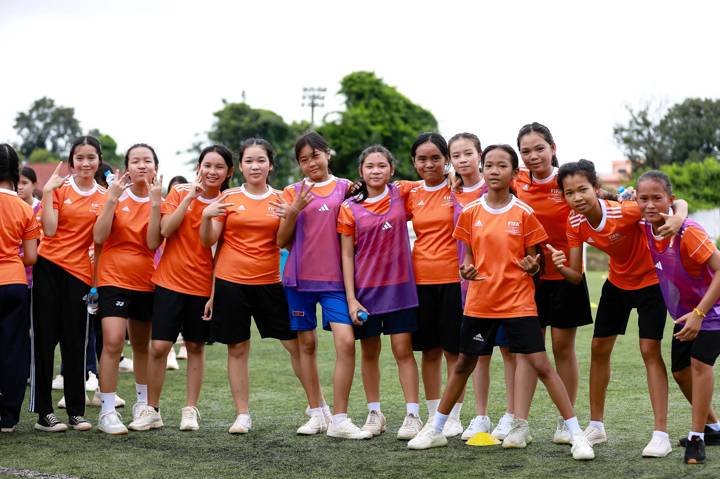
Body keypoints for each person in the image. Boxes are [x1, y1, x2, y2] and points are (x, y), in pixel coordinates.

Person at [407, 144, 595, 461]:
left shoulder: (524, 213)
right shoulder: (469, 214)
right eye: (489, 165)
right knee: (464, 365)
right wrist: (465, 271)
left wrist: (533, 266)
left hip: (519, 304)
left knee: (542, 366)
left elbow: (536, 259)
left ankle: (577, 435)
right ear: (482, 169)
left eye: (502, 166)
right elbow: (467, 260)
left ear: (513, 173)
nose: (494, 171)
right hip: (480, 305)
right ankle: (435, 429)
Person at [550, 159, 687, 457]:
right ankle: (596, 426)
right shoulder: (574, 223)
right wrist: (561, 267)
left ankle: (660, 434)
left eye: (583, 189)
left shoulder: (625, 211)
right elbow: (576, 275)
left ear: (596, 189)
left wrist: (678, 217)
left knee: (649, 350)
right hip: (618, 283)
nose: (577, 197)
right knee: (599, 348)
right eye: (569, 192)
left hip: (650, 282)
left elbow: (673, 204)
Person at [198, 138, 312, 435]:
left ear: (270, 165)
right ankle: (242, 414)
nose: (255, 166)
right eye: (249, 160)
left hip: (269, 283)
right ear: (241, 166)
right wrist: (206, 218)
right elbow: (211, 242)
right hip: (230, 283)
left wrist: (290, 215)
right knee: (237, 348)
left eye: (261, 160)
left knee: (294, 345)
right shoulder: (228, 198)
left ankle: (317, 407)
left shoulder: (281, 198)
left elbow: (282, 242)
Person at [129, 145, 233, 432]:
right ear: (198, 167)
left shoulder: (226, 202)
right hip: (168, 282)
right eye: (207, 165)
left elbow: (208, 241)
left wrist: (210, 213)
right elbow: (165, 229)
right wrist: (190, 197)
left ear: (228, 172)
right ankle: (152, 409)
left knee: (196, 347)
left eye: (219, 167)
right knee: (159, 346)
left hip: (201, 286)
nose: (212, 172)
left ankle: (190, 410)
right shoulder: (178, 192)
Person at [276, 131, 370, 439]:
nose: (311, 163)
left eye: (315, 155)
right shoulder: (292, 191)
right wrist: (293, 211)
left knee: (345, 341)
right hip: (298, 280)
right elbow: (281, 239)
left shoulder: (346, 188)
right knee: (307, 345)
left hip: (335, 281)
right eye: (304, 159)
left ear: (327, 153)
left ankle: (340, 419)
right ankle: (317, 411)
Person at [515, 123, 594, 444]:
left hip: (567, 276)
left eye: (539, 148)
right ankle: (519, 423)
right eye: (526, 151)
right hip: (528, 277)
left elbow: (609, 198)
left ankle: (567, 421)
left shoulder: (569, 182)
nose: (533, 156)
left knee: (563, 349)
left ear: (553, 147)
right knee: (528, 351)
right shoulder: (515, 181)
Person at [635, 171, 720, 464]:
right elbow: (612, 195)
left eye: (657, 198)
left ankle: (697, 439)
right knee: (681, 372)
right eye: (642, 198)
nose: (649, 204)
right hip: (684, 313)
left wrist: (699, 313)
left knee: (699, 364)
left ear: (669, 200)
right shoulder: (646, 224)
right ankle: (714, 427)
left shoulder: (689, 232)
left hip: (713, 311)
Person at [337, 145, 421, 440]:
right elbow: (347, 256)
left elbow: (433, 180)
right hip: (365, 292)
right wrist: (350, 298)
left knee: (403, 350)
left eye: (382, 165)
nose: (376, 171)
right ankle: (375, 413)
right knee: (369, 352)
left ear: (392, 169)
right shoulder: (349, 207)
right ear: (361, 171)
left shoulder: (402, 193)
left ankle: (413, 415)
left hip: (401, 291)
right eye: (370, 166)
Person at [30, 136, 106, 432]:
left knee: (76, 343)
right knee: (45, 341)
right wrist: (48, 192)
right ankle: (44, 413)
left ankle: (76, 410)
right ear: (71, 161)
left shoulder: (103, 195)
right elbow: (48, 229)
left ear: (99, 159)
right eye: (79, 158)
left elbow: (99, 239)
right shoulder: (59, 189)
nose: (85, 163)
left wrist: (112, 197)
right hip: (49, 270)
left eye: (91, 157)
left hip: (80, 276)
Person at [448, 133, 517, 442]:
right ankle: (481, 416)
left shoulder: (500, 185)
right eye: (456, 155)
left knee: (509, 351)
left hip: (507, 287)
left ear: (479, 156)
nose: (463, 160)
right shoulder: (453, 191)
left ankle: (512, 415)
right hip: (470, 288)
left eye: (468, 154)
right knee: (479, 354)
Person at [396, 133, 464, 437]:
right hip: (420, 280)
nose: (429, 164)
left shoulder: (458, 189)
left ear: (446, 159)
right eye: (422, 159)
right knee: (429, 351)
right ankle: (434, 412)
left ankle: (453, 416)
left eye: (436, 158)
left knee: (454, 352)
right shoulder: (410, 193)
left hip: (454, 279)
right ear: (413, 162)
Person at [93, 144, 162, 434]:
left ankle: (143, 406)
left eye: (147, 161)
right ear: (126, 168)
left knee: (141, 346)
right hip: (112, 278)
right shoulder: (115, 196)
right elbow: (99, 235)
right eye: (136, 161)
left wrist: (157, 203)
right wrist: (111, 200)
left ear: (156, 167)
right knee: (113, 341)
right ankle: (107, 410)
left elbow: (152, 243)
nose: (142, 165)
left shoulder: (161, 200)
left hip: (147, 280)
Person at [0, 144, 41, 433]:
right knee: (14, 348)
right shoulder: (25, 208)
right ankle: (8, 416)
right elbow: (31, 256)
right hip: (14, 282)